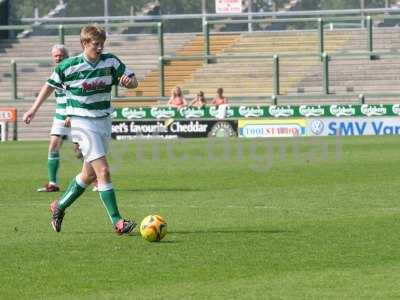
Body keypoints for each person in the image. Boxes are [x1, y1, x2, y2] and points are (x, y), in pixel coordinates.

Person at [23, 24, 138, 235]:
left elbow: (133, 82)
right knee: (103, 171)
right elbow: (49, 85)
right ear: (84, 43)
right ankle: (118, 222)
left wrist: (128, 82)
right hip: (82, 123)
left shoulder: (111, 61)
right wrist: (33, 109)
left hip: (103, 121)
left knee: (87, 174)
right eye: (96, 44)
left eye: (102, 43)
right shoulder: (69, 66)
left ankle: (59, 207)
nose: (100, 47)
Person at [36, 44, 86, 193]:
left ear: (67, 56)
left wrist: (72, 113)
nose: (58, 58)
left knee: (81, 150)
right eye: (55, 56)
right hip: (60, 115)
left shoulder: (74, 72)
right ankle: (53, 183)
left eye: (61, 55)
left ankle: (96, 180)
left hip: (75, 113)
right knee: (53, 146)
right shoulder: (55, 73)